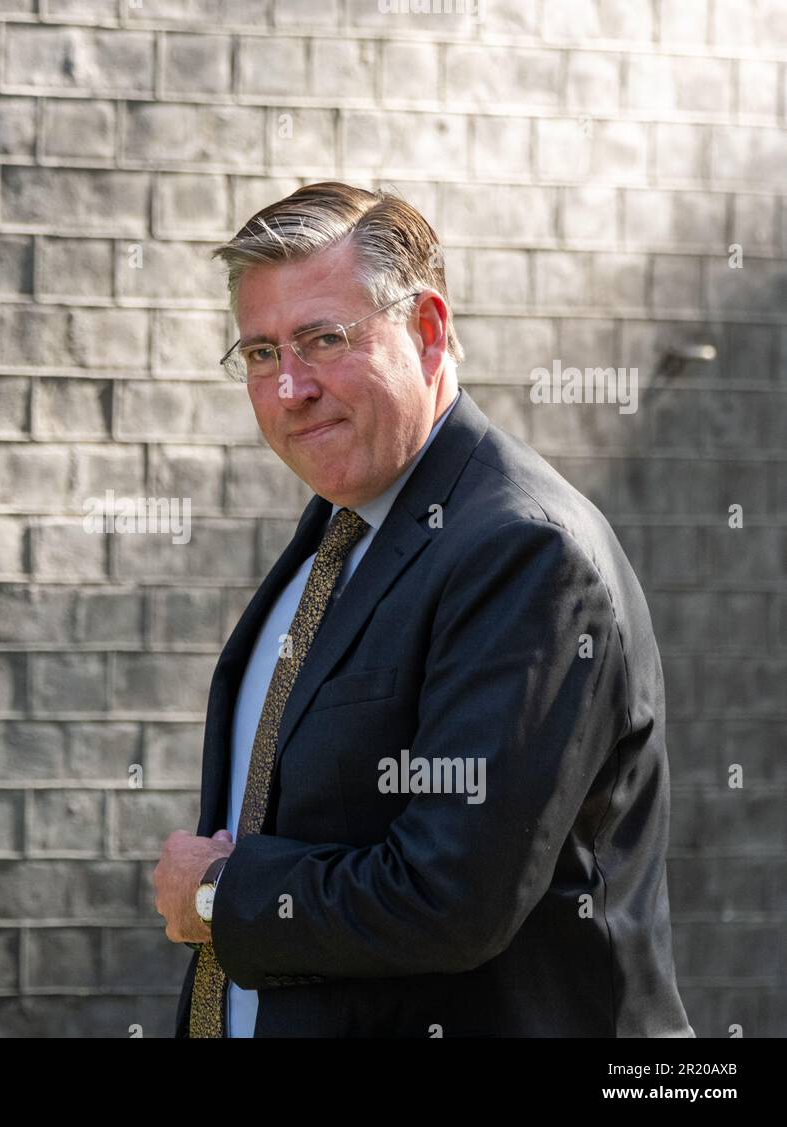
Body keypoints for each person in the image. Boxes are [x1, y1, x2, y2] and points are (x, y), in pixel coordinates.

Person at [152, 182, 692, 1037]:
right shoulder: (343, 530)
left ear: (429, 329)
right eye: (260, 353)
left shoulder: (525, 552)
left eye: (323, 339)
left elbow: (449, 896)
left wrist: (219, 895)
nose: (290, 387)